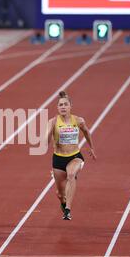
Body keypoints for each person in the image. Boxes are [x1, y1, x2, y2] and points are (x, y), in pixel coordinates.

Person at [47, 91, 96, 220]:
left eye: (65, 104)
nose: (63, 107)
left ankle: (67, 210)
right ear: (57, 108)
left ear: (70, 106)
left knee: (71, 174)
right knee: (60, 194)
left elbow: (86, 132)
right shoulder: (52, 122)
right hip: (58, 159)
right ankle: (63, 202)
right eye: (60, 105)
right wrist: (47, 135)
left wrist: (91, 147)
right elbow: (45, 141)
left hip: (75, 156)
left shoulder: (78, 120)